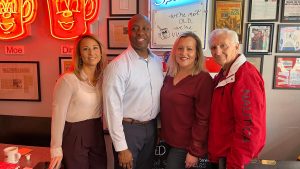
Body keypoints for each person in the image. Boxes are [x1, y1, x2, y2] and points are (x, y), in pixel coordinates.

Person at [102, 14, 164, 169]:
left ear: (151, 32)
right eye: (134, 29)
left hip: (151, 128)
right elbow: (112, 109)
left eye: (145, 28)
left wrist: (157, 129)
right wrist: (121, 147)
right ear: (128, 32)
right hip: (128, 130)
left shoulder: (157, 62)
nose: (140, 33)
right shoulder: (118, 66)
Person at [208, 28, 266, 169]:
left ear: (236, 46)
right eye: (213, 47)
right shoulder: (224, 73)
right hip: (221, 155)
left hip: (233, 160)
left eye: (223, 46)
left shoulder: (245, 76)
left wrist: (235, 164)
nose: (217, 52)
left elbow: (249, 127)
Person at [49, 35, 107, 169]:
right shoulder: (68, 80)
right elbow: (58, 115)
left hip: (96, 132)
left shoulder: (103, 78)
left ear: (100, 51)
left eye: (95, 48)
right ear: (79, 54)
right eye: (86, 49)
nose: (91, 53)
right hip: (74, 134)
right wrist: (56, 149)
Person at [160, 32, 213, 169]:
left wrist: (194, 151)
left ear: (197, 53)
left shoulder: (203, 79)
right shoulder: (170, 74)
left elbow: (203, 119)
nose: (184, 53)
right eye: (180, 48)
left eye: (189, 49)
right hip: (167, 141)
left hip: (186, 146)